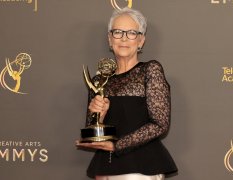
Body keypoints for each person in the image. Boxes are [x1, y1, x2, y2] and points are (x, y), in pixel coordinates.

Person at [76, 7, 178, 180]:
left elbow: (160, 124)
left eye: (131, 33)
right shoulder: (99, 81)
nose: (123, 38)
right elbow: (92, 132)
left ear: (141, 40)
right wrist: (98, 115)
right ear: (110, 39)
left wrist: (117, 145)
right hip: (104, 168)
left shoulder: (150, 70)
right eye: (117, 32)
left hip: (140, 168)